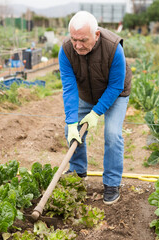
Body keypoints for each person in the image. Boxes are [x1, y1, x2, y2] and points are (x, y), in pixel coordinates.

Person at [58, 11, 132, 205]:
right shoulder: (66, 50)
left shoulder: (113, 47)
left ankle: (111, 183)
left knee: (113, 134)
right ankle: (78, 171)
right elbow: (69, 87)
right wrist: (72, 122)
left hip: (116, 94)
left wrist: (96, 112)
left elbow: (116, 85)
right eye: (74, 39)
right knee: (70, 130)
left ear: (96, 35)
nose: (78, 45)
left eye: (83, 40)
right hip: (86, 94)